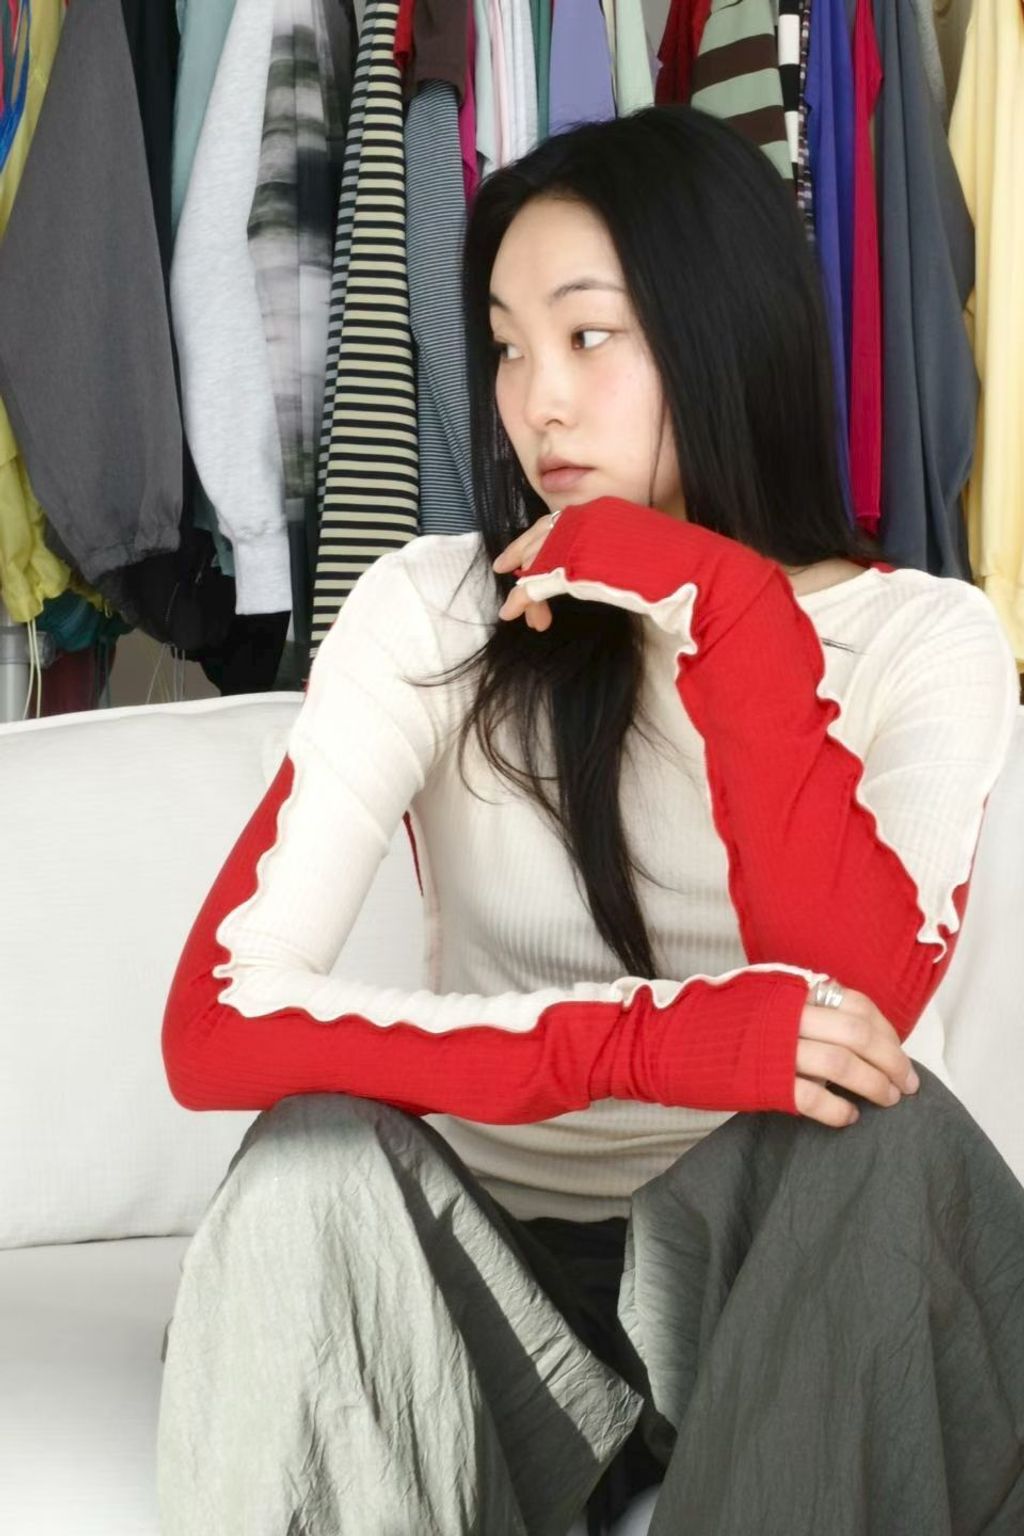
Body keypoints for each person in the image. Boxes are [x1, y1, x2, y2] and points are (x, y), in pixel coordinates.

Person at [156, 106, 1024, 1536]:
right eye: (507, 346)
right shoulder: (435, 609)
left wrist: (724, 603)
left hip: (775, 1278)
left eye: (588, 336)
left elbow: (857, 1001)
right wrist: (653, 1040)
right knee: (307, 1156)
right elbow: (217, 1026)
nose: (536, 402)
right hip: (481, 1296)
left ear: (720, 333)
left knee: (882, 1140)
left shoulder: (922, 639)